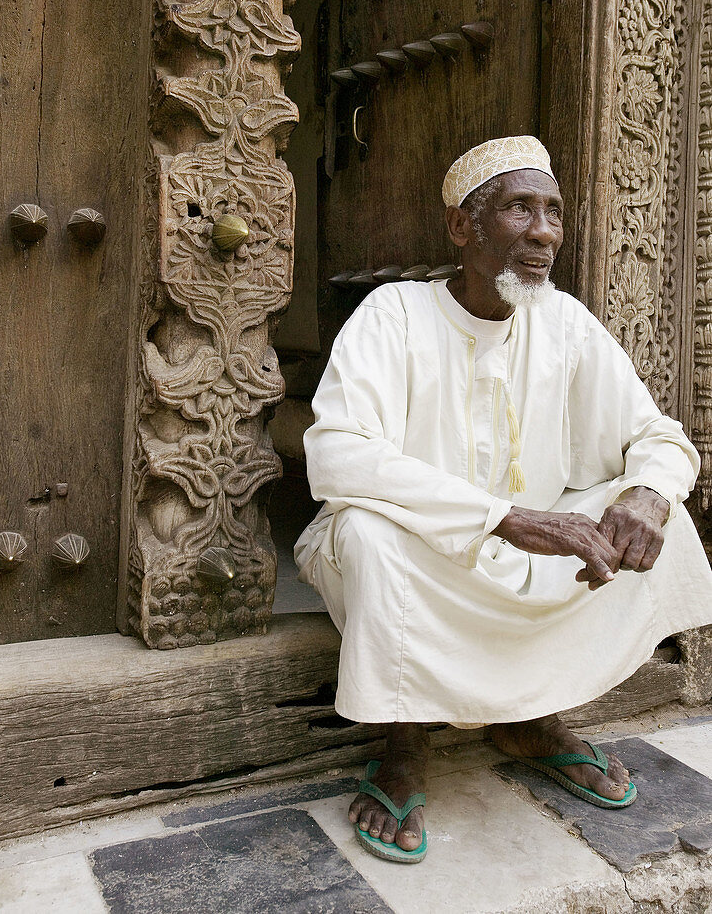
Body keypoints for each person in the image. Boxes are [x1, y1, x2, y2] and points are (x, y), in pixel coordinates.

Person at [294, 135, 712, 864]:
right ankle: (404, 743)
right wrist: (506, 518)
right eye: (521, 208)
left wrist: (645, 495)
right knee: (365, 533)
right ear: (463, 226)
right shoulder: (394, 314)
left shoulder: (566, 323)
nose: (545, 232)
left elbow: (660, 436)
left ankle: (531, 718)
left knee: (657, 508)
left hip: (531, 551)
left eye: (553, 211)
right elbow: (335, 455)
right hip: (424, 555)